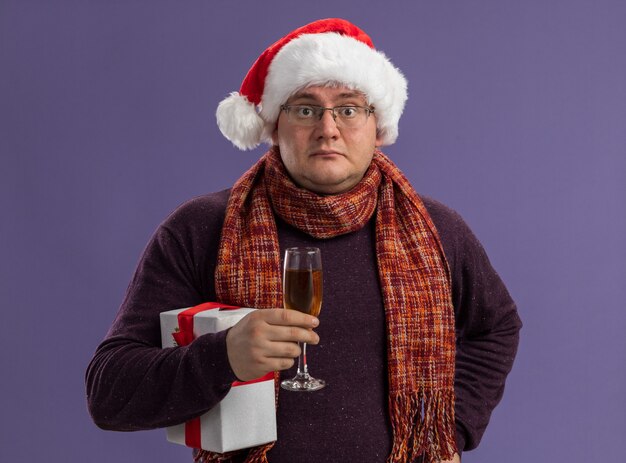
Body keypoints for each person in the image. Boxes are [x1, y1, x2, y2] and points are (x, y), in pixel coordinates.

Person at [86, 18, 521, 463]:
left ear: (378, 126)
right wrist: (222, 358)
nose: (328, 128)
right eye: (306, 109)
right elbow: (109, 392)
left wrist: (451, 429)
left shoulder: (437, 229)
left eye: (349, 109)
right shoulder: (201, 228)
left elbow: (497, 327)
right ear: (275, 125)